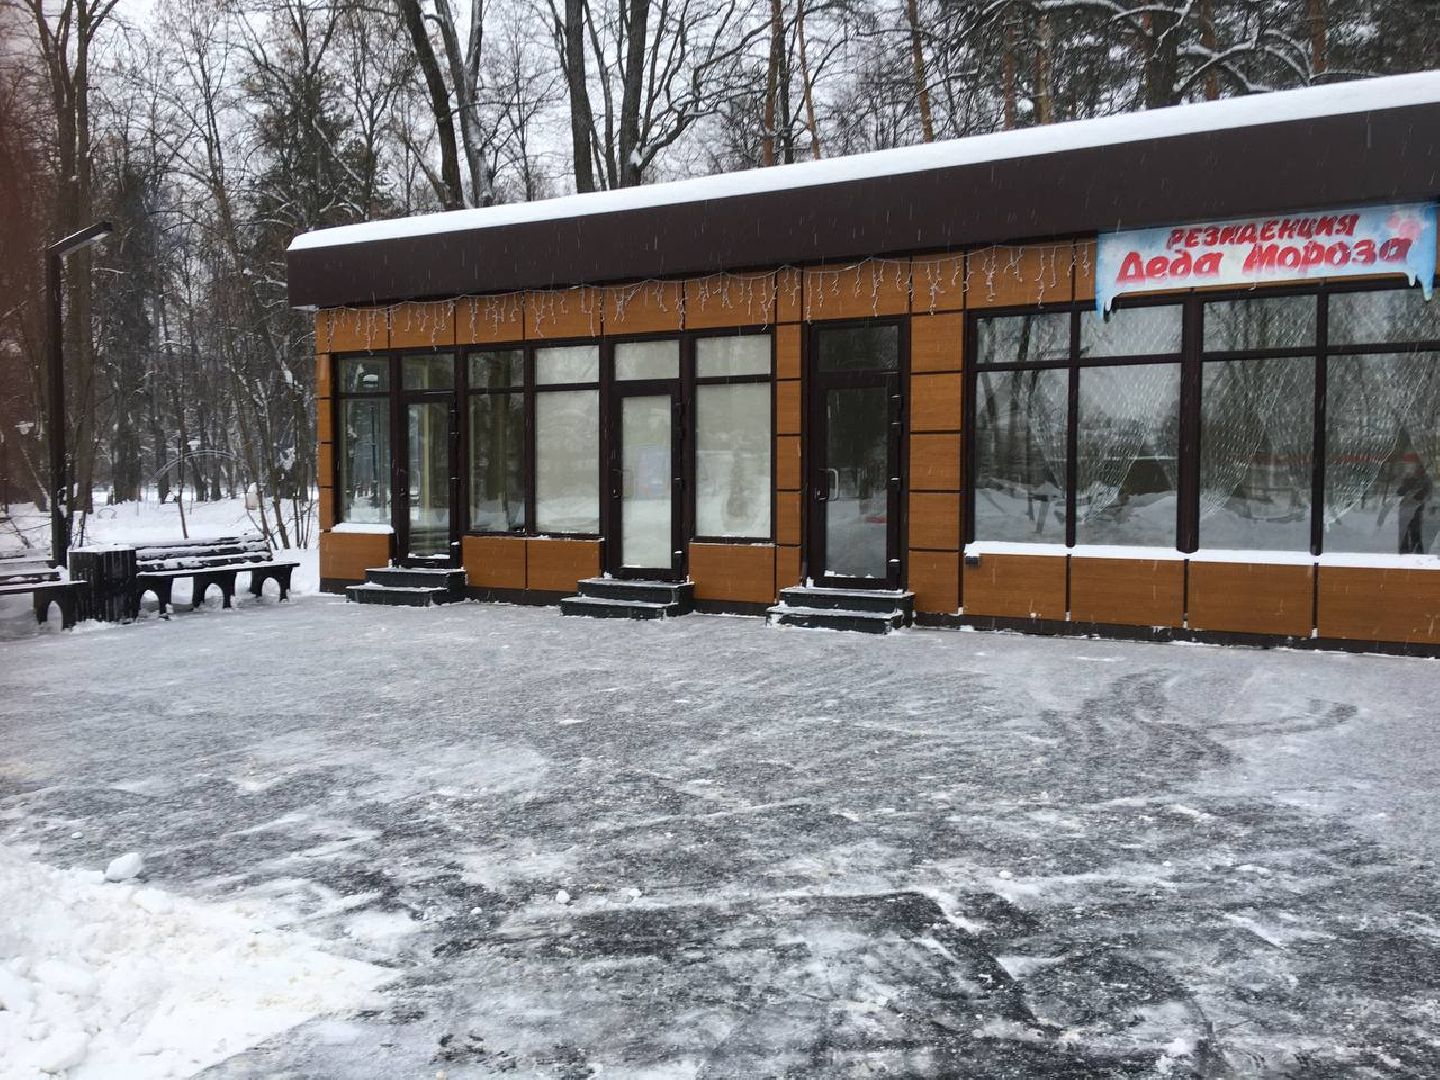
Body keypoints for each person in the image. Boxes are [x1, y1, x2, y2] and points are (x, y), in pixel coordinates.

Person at [1396, 459, 1433, 554]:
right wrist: (1406, 486)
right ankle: (1404, 552)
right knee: (1403, 532)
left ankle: (1417, 553)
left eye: (1420, 467)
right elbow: (1399, 492)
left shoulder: (1426, 480)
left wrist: (1421, 494)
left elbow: (1429, 495)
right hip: (1405, 509)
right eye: (1416, 467)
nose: (1417, 470)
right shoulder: (1408, 478)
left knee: (1415, 532)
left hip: (1417, 509)